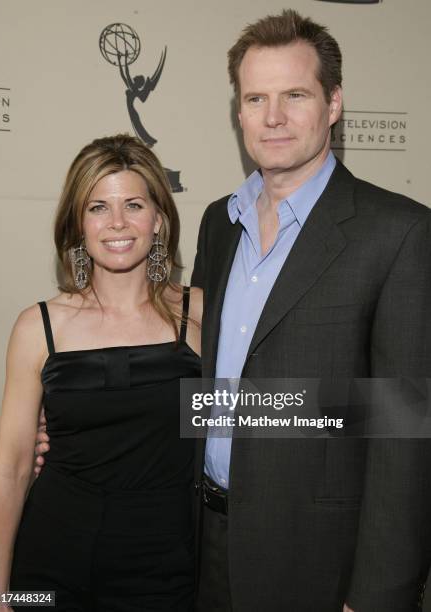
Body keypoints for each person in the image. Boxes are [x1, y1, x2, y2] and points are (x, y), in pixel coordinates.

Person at [190, 10, 431, 612]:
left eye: (294, 94)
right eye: (255, 97)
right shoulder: (219, 223)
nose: (272, 116)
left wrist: (377, 595)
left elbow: (404, 438)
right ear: (238, 111)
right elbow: (211, 377)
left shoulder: (398, 233)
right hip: (205, 544)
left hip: (320, 561)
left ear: (334, 103)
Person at [0, 134, 202, 611]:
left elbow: (248, 423)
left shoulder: (201, 314)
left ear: (160, 218)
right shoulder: (39, 325)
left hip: (165, 573)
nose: (118, 223)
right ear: (77, 224)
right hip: (48, 568)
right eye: (98, 207)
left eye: (133, 205)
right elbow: (12, 468)